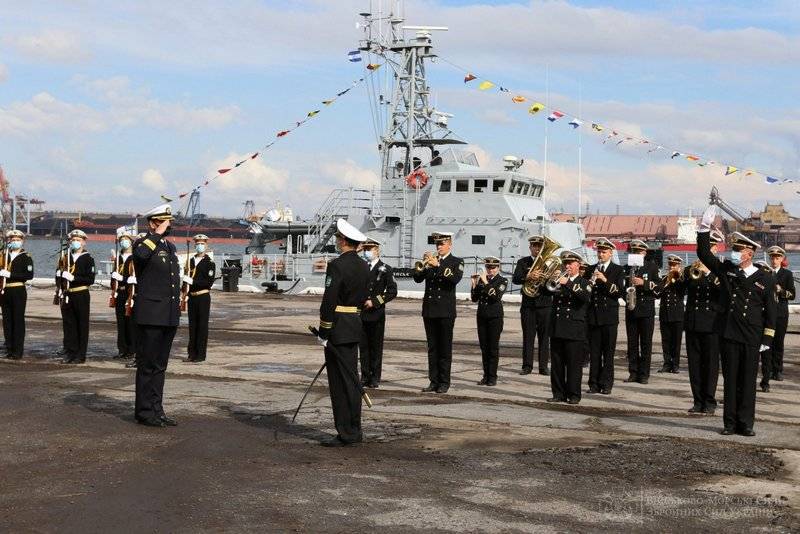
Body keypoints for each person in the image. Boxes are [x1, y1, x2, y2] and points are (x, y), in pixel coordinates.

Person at [697, 206, 776, 436]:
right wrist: (704, 229)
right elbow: (704, 254)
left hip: (752, 336)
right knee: (731, 380)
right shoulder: (727, 271)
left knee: (748, 382)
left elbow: (770, 311)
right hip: (729, 333)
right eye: (734, 248)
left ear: (749, 253)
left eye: (739, 249)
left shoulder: (764, 278)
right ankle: (730, 423)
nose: (734, 252)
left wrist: (767, 338)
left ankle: (746, 423)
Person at [316, 219, 369, 446]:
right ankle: (354, 429)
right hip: (354, 324)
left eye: (338, 238)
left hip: (337, 327)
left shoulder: (337, 265)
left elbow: (329, 300)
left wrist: (324, 330)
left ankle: (345, 432)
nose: (337, 241)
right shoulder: (364, 265)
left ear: (344, 241)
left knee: (339, 383)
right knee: (352, 379)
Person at [133, 204, 181, 427]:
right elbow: (141, 256)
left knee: (160, 366)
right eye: (164, 221)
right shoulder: (143, 244)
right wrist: (156, 234)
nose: (169, 225)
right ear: (153, 223)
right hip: (150, 315)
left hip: (168, 315)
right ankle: (144, 411)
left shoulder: (169, 247)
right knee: (147, 365)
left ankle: (157, 408)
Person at [413, 231, 464, 394]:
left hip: (445, 311)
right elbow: (417, 278)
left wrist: (438, 266)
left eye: (442, 244)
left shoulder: (456, 262)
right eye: (437, 244)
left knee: (444, 348)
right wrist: (423, 265)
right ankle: (433, 381)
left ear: (450, 244)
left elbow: (454, 279)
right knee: (432, 348)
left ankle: (444, 381)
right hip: (429, 310)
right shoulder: (431, 261)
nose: (439, 247)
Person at [684, 231, 724, 414]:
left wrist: (708, 273)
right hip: (693, 323)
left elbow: (724, 293)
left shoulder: (721, 270)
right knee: (694, 364)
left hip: (711, 324)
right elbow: (680, 290)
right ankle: (697, 400)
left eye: (709, 248)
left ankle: (709, 401)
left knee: (710, 364)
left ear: (715, 249)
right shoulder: (691, 269)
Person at [547, 250, 591, 405]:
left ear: (578, 265)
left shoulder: (584, 283)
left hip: (574, 329)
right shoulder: (560, 281)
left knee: (573, 365)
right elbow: (547, 291)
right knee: (557, 364)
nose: (567, 266)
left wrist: (569, 283)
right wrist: (553, 279)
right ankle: (558, 393)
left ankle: (574, 394)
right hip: (558, 328)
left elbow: (585, 298)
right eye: (565, 263)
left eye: (570, 263)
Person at [584, 238, 624, 394]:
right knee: (594, 353)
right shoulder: (590, 269)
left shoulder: (618, 270)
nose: (601, 255)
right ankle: (593, 384)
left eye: (604, 252)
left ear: (611, 253)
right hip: (593, 316)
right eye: (599, 252)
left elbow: (619, 292)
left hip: (609, 318)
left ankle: (606, 384)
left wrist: (605, 280)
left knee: (608, 353)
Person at [359, 237, 397, 388]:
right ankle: (365, 375)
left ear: (377, 250)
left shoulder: (386, 269)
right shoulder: (361, 267)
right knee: (363, 347)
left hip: (376, 314)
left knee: (375, 347)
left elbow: (392, 291)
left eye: (369, 249)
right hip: (361, 313)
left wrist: (374, 302)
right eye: (365, 249)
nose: (366, 252)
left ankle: (375, 377)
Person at [512, 235, 552, 375]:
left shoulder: (549, 263)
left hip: (545, 304)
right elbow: (515, 279)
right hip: (528, 305)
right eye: (534, 246)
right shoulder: (523, 262)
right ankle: (527, 366)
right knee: (528, 337)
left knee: (544, 337)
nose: (537, 248)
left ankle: (543, 367)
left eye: (539, 246)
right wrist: (528, 276)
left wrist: (548, 277)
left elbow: (553, 286)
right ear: (530, 247)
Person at [623, 239, 659, 384]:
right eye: (633, 252)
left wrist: (643, 283)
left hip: (646, 309)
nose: (635, 254)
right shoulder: (627, 268)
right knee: (632, 343)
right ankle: (633, 372)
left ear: (644, 252)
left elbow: (659, 287)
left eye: (638, 252)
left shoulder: (651, 267)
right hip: (631, 309)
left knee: (645, 343)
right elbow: (621, 287)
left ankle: (644, 374)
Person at [59, 230, 96, 364]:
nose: (75, 242)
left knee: (81, 324)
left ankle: (81, 355)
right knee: (69, 325)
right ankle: (71, 352)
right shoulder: (65, 258)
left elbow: (90, 279)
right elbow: (59, 277)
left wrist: (74, 278)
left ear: (84, 242)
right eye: (73, 240)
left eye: (78, 240)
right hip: (68, 293)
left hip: (81, 293)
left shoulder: (88, 259)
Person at [471, 256, 507, 386]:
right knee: (484, 348)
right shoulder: (481, 281)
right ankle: (485, 375)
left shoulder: (502, 280)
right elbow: (474, 299)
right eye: (488, 267)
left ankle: (492, 376)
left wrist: (486, 282)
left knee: (492, 348)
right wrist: (474, 285)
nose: (490, 270)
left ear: (498, 268)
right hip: (482, 316)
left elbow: (495, 295)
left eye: (493, 268)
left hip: (495, 317)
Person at [1, 230, 34, 359]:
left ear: (22, 241)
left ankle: (17, 351)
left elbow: (29, 275)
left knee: (18, 321)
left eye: (17, 240)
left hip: (18, 290)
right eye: (12, 240)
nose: (15, 242)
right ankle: (9, 349)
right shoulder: (3, 255)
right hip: (5, 290)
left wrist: (10, 275)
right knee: (7, 321)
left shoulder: (26, 257)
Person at [764, 246, 794, 388]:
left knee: (779, 342)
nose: (774, 260)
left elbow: (792, 294)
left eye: (777, 258)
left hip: (781, 313)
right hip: (768, 313)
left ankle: (778, 370)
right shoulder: (765, 273)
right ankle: (767, 369)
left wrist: (781, 290)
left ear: (782, 259)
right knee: (767, 342)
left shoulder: (787, 274)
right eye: (772, 258)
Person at [185, 234, 216, 363]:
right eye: (198, 244)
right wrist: (184, 294)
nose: (200, 246)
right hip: (192, 297)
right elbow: (186, 281)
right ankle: (191, 354)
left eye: (202, 244)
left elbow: (208, 282)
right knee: (192, 326)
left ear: (206, 246)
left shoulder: (210, 263)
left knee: (202, 326)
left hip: (203, 296)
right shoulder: (190, 261)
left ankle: (200, 355)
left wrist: (192, 281)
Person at [656, 255, 686, 373]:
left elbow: (683, 290)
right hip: (665, 313)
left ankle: (676, 364)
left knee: (676, 341)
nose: (672, 267)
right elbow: (657, 293)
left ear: (679, 266)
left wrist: (677, 277)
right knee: (666, 340)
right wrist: (666, 282)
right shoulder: (664, 279)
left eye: (674, 265)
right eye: (670, 265)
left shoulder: (681, 279)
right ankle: (667, 363)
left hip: (677, 314)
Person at [111, 231, 137, 360]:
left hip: (131, 293)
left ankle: (132, 349)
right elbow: (114, 276)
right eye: (121, 240)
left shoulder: (135, 257)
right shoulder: (119, 258)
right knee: (120, 323)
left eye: (126, 239)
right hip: (120, 293)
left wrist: (124, 278)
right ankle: (122, 349)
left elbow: (136, 277)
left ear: (131, 242)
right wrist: (114, 281)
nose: (123, 242)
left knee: (130, 323)